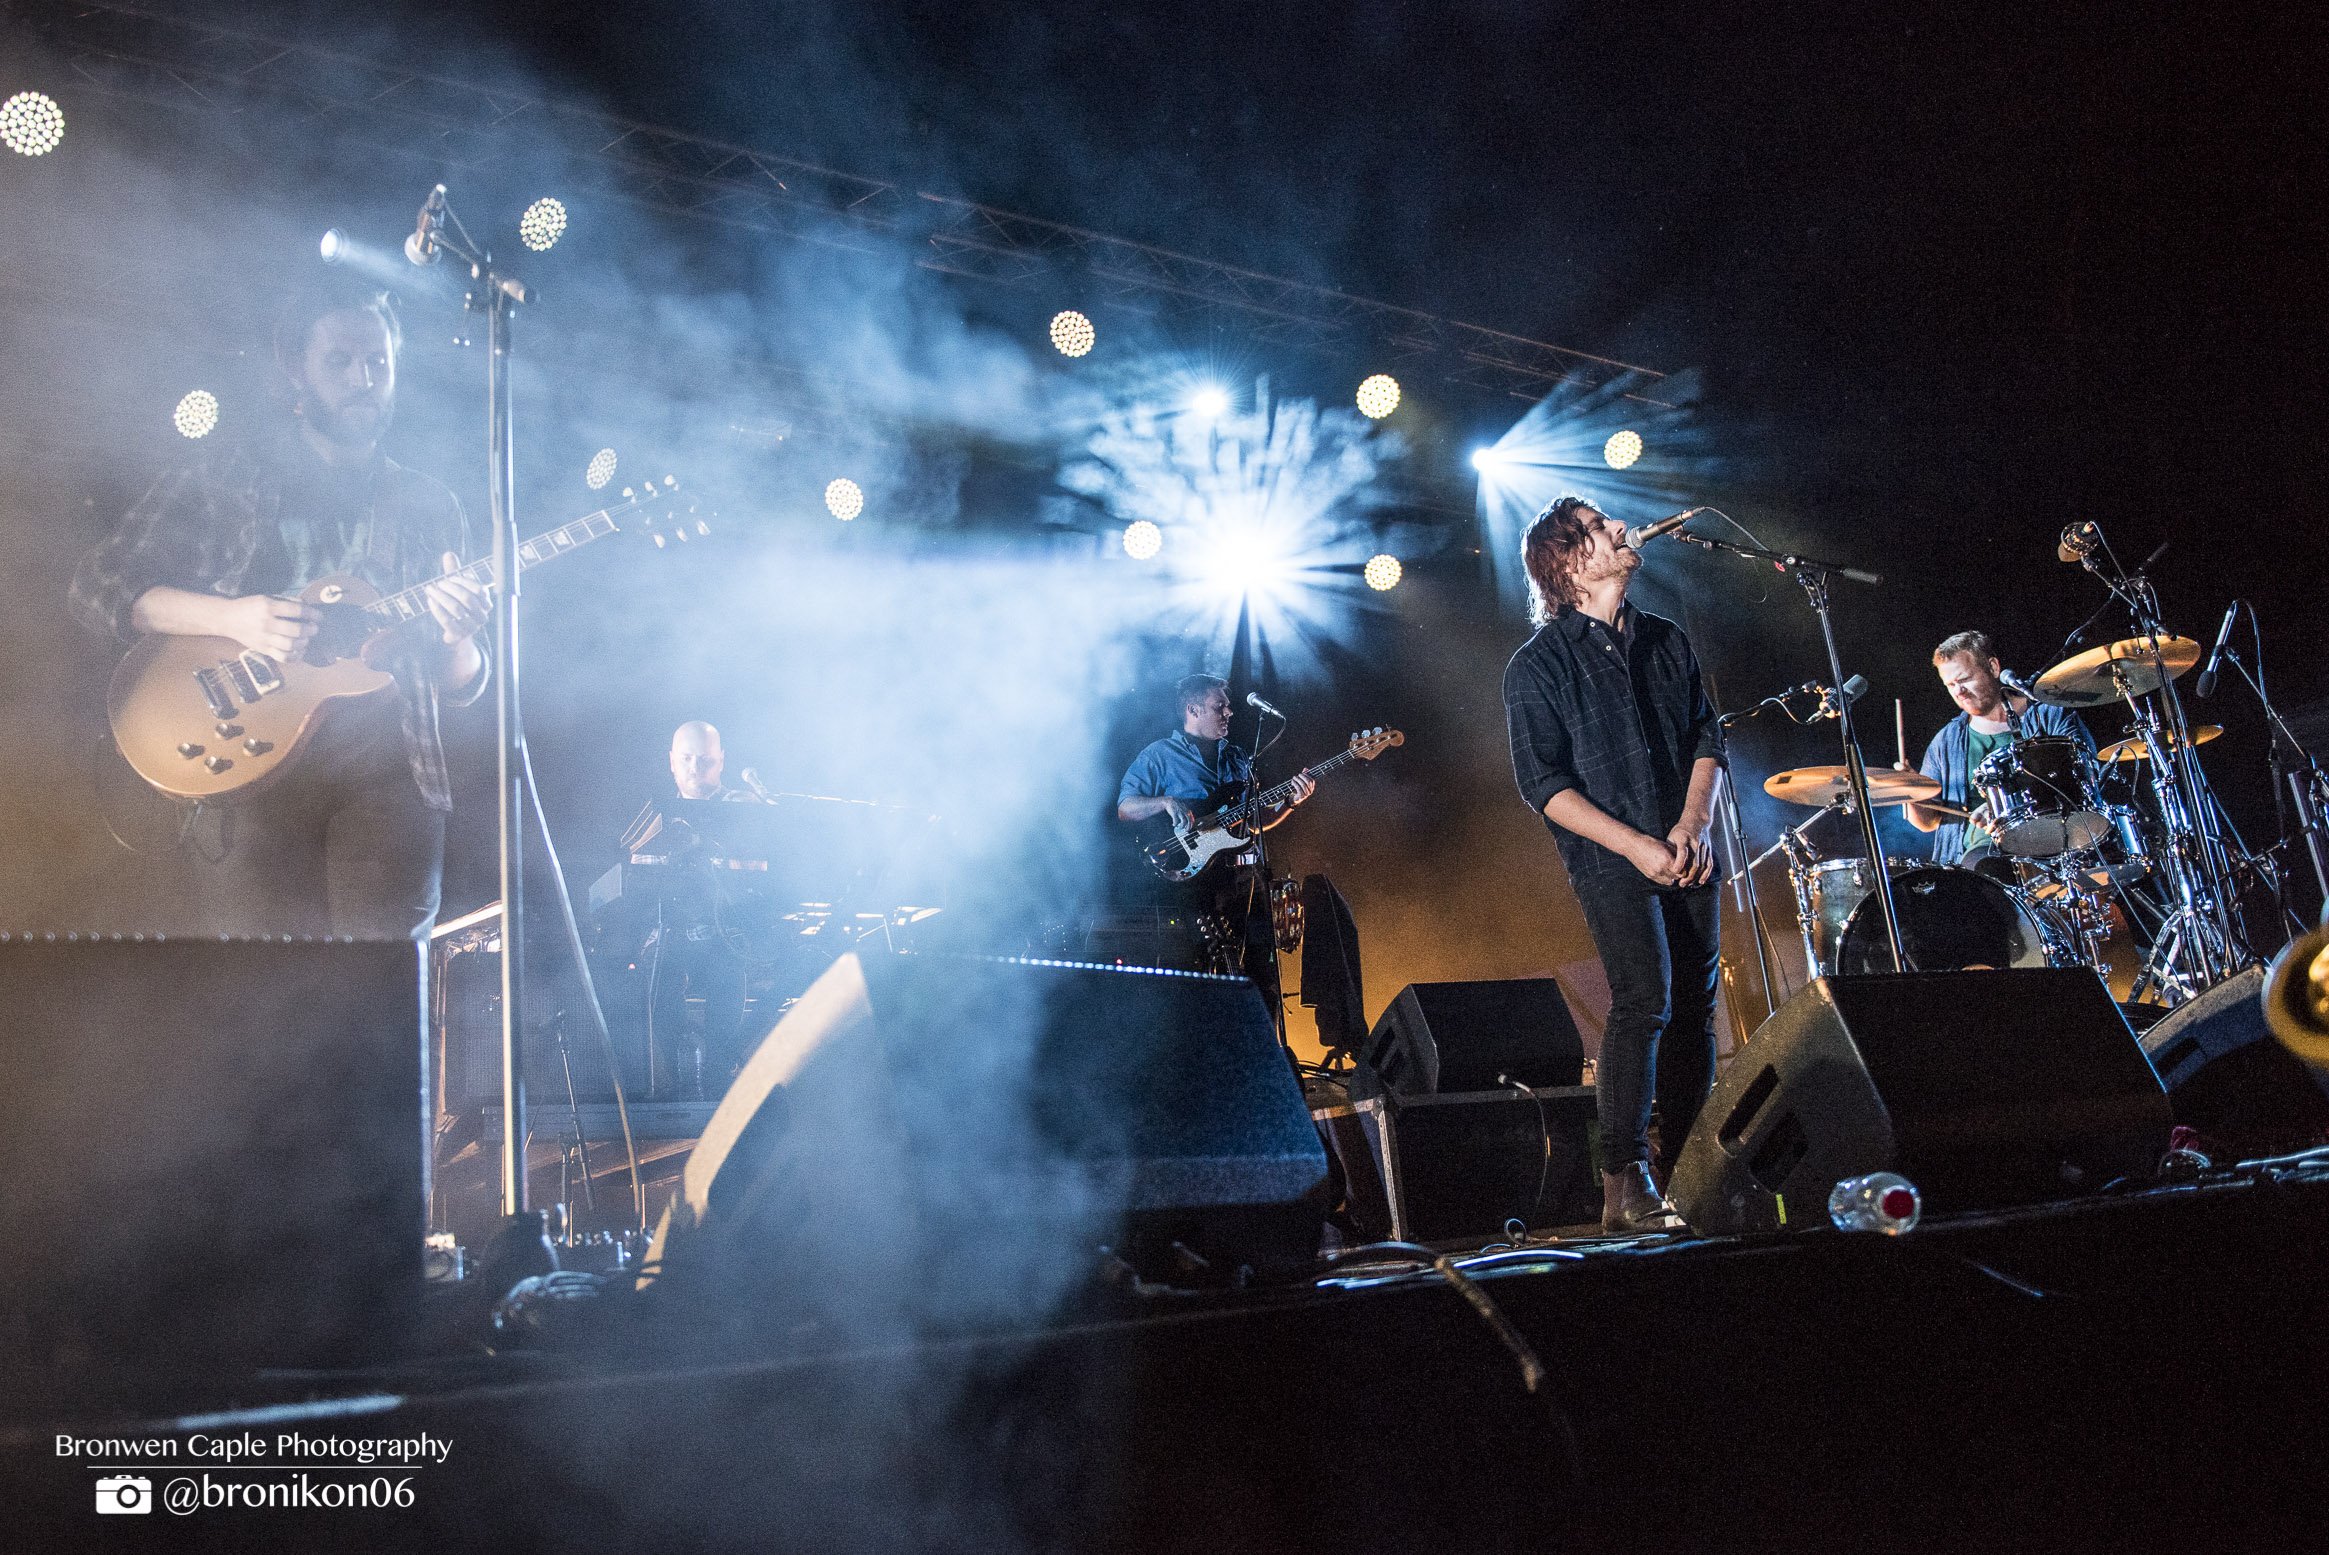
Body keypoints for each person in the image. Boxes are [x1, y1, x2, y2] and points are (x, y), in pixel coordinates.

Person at [68, 276, 491, 938]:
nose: (364, 378)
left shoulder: (429, 504)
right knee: (262, 998)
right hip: (248, 771)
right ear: (295, 369)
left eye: (378, 362)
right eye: (340, 361)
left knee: (380, 999)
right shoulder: (227, 475)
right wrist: (230, 617)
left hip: (389, 778)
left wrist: (461, 637)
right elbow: (99, 585)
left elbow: (457, 681)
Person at [1503, 497, 1725, 1234]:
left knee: (1695, 1009)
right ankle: (1622, 1180)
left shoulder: (1665, 639)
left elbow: (1706, 738)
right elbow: (1543, 785)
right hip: (1609, 859)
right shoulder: (1536, 665)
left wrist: (1690, 825)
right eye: (1601, 528)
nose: (1621, 530)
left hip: (1686, 850)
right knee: (1642, 1001)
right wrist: (1635, 844)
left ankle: (1693, 1167)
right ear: (1567, 562)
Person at [1115, 673, 1314, 987]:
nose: (1229, 712)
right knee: (1209, 973)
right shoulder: (1160, 755)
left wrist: (1290, 801)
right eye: (1219, 706)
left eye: (1228, 706)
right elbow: (1126, 808)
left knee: (1263, 975)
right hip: (1199, 885)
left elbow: (1251, 823)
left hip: (1247, 882)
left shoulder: (1237, 758)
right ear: (1194, 710)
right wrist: (1165, 801)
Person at [1904, 630, 2094, 864]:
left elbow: (2086, 774)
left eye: (1964, 679)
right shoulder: (1945, 741)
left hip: (2056, 844)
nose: (1958, 691)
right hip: (1976, 859)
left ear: (1993, 667)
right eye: (1950, 684)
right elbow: (1928, 822)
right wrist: (1910, 793)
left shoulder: (2050, 715)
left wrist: (2000, 806)